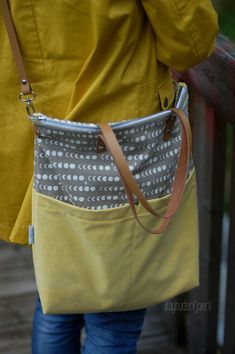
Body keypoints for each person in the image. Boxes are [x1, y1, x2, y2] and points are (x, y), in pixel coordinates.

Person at [0, 1, 218, 353]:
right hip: (123, 133)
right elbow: (190, 42)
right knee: (115, 315)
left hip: (42, 136)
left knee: (57, 288)